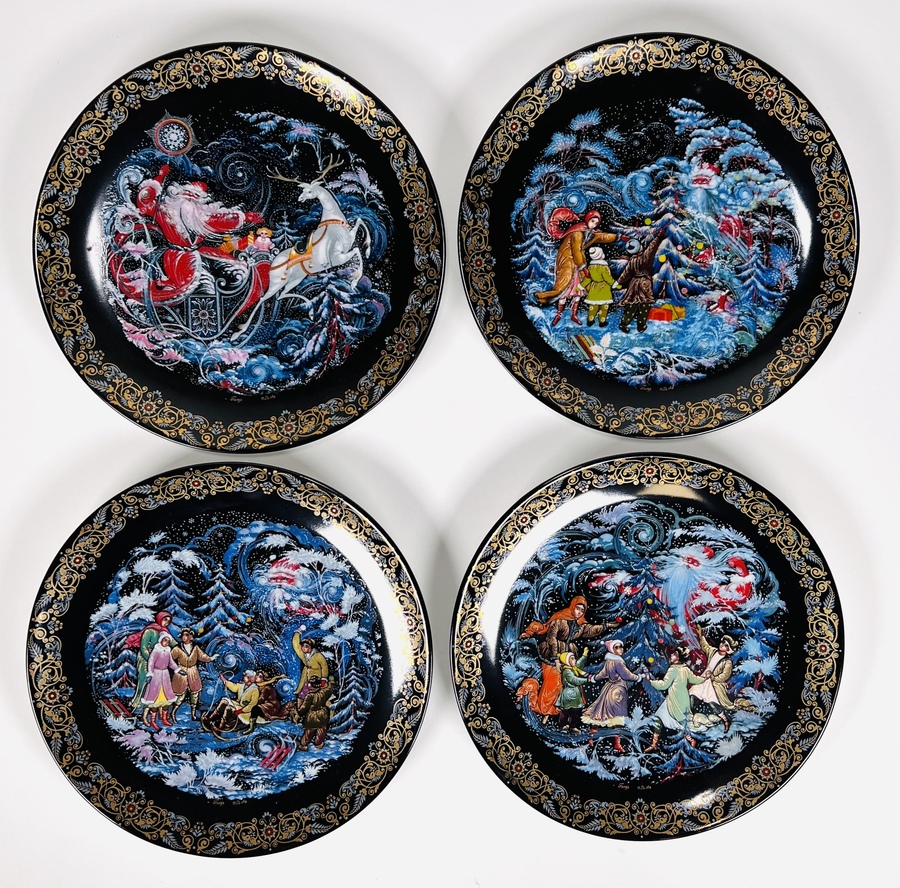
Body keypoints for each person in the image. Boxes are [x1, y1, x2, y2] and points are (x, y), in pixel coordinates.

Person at [519, 596, 618, 722]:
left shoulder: (580, 624)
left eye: (582, 610)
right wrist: (556, 659)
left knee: (565, 686)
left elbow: (590, 630)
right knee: (552, 684)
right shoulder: (559, 619)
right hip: (552, 653)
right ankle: (543, 711)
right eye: (577, 609)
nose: (579, 612)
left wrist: (606, 626)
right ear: (572, 606)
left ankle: (557, 716)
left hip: (568, 655)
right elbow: (551, 638)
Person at [536, 208, 617, 324]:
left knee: (578, 290)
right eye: (592, 221)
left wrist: (618, 237)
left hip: (578, 264)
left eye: (596, 223)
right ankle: (557, 313)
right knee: (563, 289)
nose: (594, 225)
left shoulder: (589, 232)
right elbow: (576, 251)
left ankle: (574, 314)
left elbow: (602, 236)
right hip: (568, 261)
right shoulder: (578, 233)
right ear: (587, 219)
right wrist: (583, 267)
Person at [582, 640, 642, 752]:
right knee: (618, 717)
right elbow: (626, 675)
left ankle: (591, 738)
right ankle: (617, 743)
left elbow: (602, 674)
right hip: (617, 690)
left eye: (621, 647)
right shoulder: (618, 662)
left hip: (608, 689)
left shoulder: (609, 661)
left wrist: (594, 678)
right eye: (617, 647)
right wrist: (638, 677)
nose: (620, 649)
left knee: (599, 714)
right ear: (612, 650)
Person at [644, 647, 705, 751]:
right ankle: (654, 743)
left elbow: (664, 685)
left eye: (674, 654)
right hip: (682, 699)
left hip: (675, 700)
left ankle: (691, 740)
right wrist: (705, 678)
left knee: (679, 722)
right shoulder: (685, 669)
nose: (671, 656)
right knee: (662, 718)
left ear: (678, 657)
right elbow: (695, 679)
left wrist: (651, 681)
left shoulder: (673, 670)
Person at [689, 628, 751, 731]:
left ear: (729, 649)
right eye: (722, 642)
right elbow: (705, 646)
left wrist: (712, 677)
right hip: (704, 679)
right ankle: (690, 717)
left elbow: (724, 676)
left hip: (715, 685)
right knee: (693, 695)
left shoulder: (727, 662)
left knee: (713, 704)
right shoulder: (713, 651)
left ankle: (726, 720)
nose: (722, 645)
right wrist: (701, 635)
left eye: (726, 645)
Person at [617, 224, 669, 333]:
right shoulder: (645, 256)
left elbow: (626, 274)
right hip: (644, 283)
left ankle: (624, 323)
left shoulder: (632, 261)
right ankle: (641, 325)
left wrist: (618, 282)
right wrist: (659, 236)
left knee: (632, 304)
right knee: (644, 305)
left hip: (633, 284)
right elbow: (652, 247)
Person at [126, 611, 174, 712]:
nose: (166, 623)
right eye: (165, 620)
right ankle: (138, 702)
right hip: (145, 658)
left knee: (155, 682)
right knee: (144, 679)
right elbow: (143, 647)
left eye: (168, 621)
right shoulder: (149, 631)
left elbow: (173, 643)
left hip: (158, 660)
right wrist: (151, 659)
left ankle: (151, 702)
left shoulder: (165, 632)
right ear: (159, 618)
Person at [170, 628, 216, 721]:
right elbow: (170, 659)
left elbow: (202, 656)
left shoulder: (195, 648)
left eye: (186, 635)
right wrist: (176, 669)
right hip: (181, 673)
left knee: (194, 695)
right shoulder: (177, 648)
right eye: (183, 635)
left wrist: (211, 658)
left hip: (193, 672)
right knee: (180, 696)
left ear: (190, 637)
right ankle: (173, 713)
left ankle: (193, 714)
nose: (184, 637)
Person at [141, 635, 183, 730]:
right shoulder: (156, 651)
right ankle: (153, 721)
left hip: (165, 676)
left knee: (167, 700)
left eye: (168, 641)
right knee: (154, 701)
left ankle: (164, 719)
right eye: (165, 640)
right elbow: (151, 662)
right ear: (161, 640)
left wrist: (177, 669)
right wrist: (150, 673)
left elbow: (171, 663)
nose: (166, 642)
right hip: (156, 675)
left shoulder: (168, 651)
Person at [204, 670, 261, 737]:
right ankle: (211, 718)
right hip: (239, 706)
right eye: (245, 676)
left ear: (250, 678)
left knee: (229, 708)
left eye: (245, 676)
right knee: (224, 701)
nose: (244, 678)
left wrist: (240, 711)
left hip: (246, 712)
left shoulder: (255, 690)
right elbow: (234, 687)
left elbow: (252, 705)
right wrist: (224, 680)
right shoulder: (242, 686)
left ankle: (220, 728)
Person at [580, 244, 617, 326]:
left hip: (594, 288)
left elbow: (588, 278)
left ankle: (590, 320)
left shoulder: (590, 267)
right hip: (604, 289)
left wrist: (581, 286)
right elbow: (608, 278)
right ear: (600, 256)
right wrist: (615, 284)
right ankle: (602, 321)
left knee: (593, 305)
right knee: (604, 306)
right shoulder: (604, 267)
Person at [294, 676, 334, 750]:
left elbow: (304, 707)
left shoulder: (310, 695)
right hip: (323, 714)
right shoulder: (324, 692)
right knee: (321, 730)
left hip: (312, 716)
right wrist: (331, 682)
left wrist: (298, 711)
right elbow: (330, 688)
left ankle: (303, 745)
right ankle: (318, 743)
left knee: (309, 732)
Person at [556, 650, 592, 730]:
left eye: (574, 658)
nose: (575, 660)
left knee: (576, 711)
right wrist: (587, 680)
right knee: (566, 711)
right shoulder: (567, 671)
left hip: (575, 695)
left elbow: (579, 664)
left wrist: (584, 656)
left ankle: (573, 726)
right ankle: (563, 724)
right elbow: (574, 680)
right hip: (568, 695)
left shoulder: (573, 668)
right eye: (572, 658)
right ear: (567, 661)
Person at [292, 633, 329, 700]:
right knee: (303, 694)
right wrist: (297, 633)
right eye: (302, 646)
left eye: (306, 646)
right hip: (308, 679)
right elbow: (296, 646)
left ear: (311, 647)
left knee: (319, 696)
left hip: (317, 681)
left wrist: (323, 679)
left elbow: (324, 666)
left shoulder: (317, 655)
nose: (303, 648)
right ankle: (302, 704)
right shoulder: (304, 655)